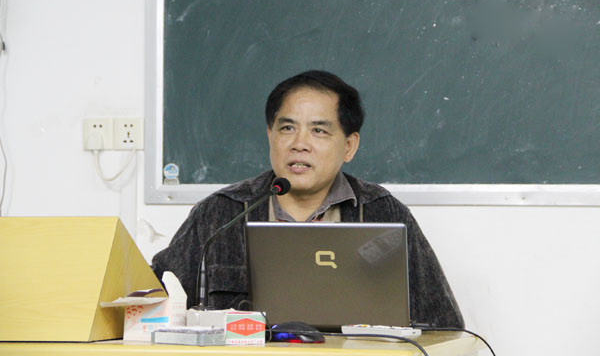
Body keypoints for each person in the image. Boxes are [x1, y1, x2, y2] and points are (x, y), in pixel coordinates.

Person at [151, 70, 464, 328]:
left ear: (349, 146)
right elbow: (151, 309)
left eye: (319, 131)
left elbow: (445, 326)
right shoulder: (220, 213)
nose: (299, 144)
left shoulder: (384, 214)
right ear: (270, 135)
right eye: (287, 128)